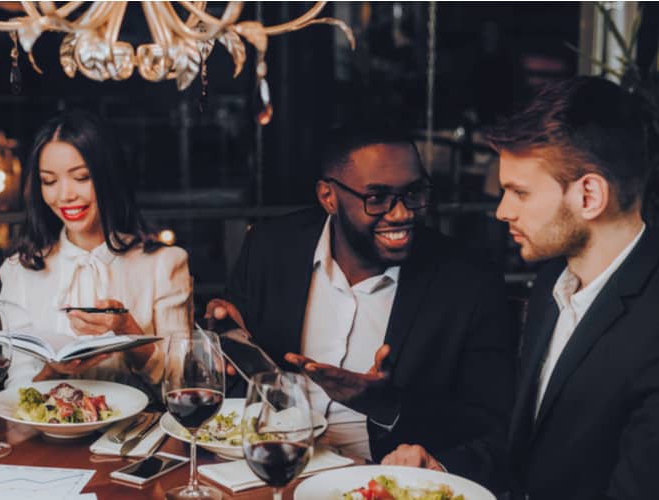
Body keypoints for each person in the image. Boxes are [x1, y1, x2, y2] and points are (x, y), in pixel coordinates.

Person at [391, 76, 659, 499]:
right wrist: (442, 470)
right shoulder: (554, 282)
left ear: (589, 194)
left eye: (519, 192)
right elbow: (529, 445)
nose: (502, 211)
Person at [206, 125, 516, 487]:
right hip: (267, 469)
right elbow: (237, 354)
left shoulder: (468, 282)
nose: (401, 214)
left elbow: (494, 429)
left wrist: (389, 407)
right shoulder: (270, 247)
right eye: (378, 197)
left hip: (375, 481)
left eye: (414, 193)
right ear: (328, 196)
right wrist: (224, 337)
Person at [0, 110, 191, 391]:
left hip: (137, 430)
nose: (65, 195)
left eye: (81, 177)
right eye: (49, 181)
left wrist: (126, 329)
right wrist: (52, 370)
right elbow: (17, 387)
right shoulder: (20, 268)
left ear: (107, 176)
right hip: (47, 433)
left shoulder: (164, 263)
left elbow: (180, 381)